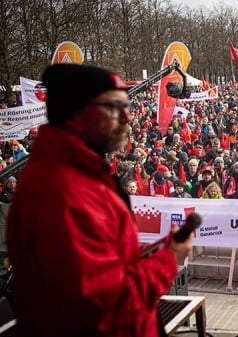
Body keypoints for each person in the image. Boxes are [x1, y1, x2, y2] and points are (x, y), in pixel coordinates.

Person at [7, 63, 193, 337]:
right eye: (114, 107)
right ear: (79, 113)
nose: (127, 118)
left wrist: (148, 254)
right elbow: (104, 305)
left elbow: (103, 266)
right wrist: (167, 260)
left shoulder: (82, 174)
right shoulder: (60, 192)